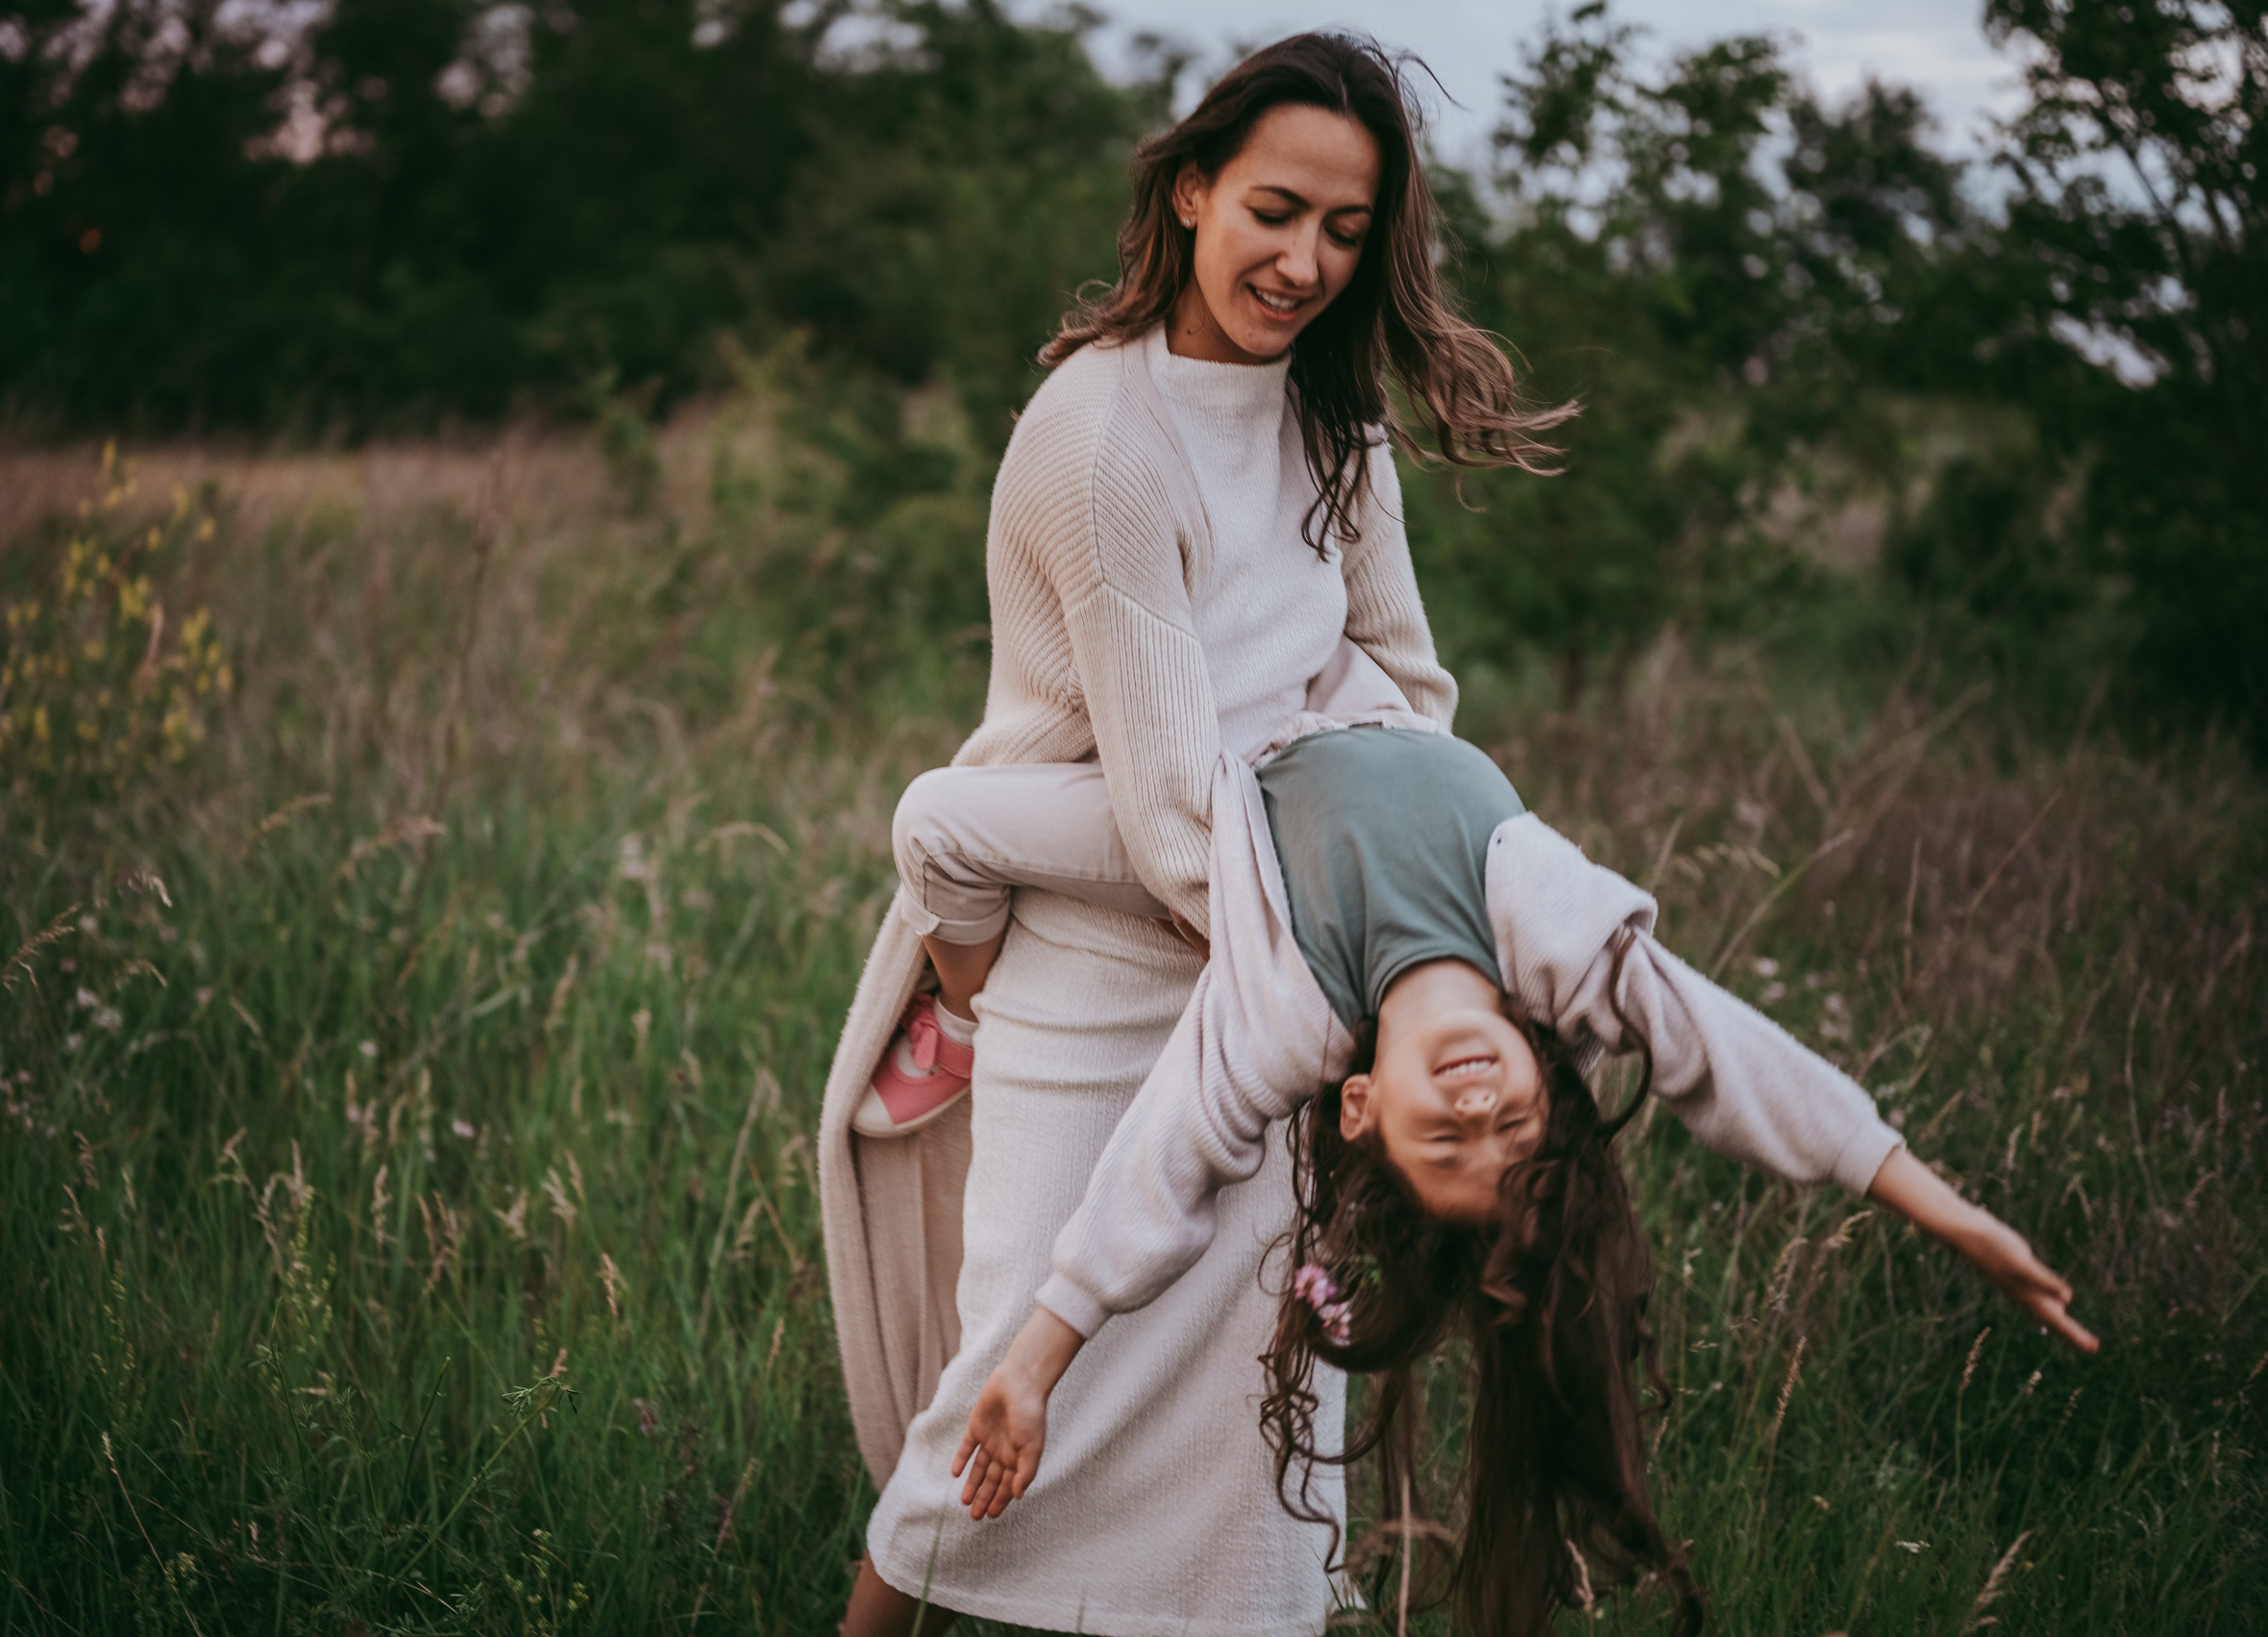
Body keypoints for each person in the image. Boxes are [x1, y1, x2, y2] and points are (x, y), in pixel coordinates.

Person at [817, 33, 1570, 1637]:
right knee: (1004, 1390)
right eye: (1275, 209)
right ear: (1190, 189)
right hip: (1107, 970)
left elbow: (1416, 696)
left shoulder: (1335, 430)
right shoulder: (1102, 440)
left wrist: (1364, 848)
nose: (1304, 262)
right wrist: (1370, 949)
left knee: (1259, 1431)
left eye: (1347, 231)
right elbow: (1168, 829)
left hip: (1265, 959)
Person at [895, 663, 2097, 1634]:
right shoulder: (1546, 936)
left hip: (1212, 781)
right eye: (1512, 1126)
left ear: (1360, 1106)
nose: (1479, 1107)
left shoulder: (1287, 1011)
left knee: (937, 819)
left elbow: (1156, 1173)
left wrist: (1037, 1362)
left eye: (1445, 1137)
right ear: (1543, 1075)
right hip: (1341, 674)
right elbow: (1727, 1055)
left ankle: (955, 1019)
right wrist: (1941, 1208)